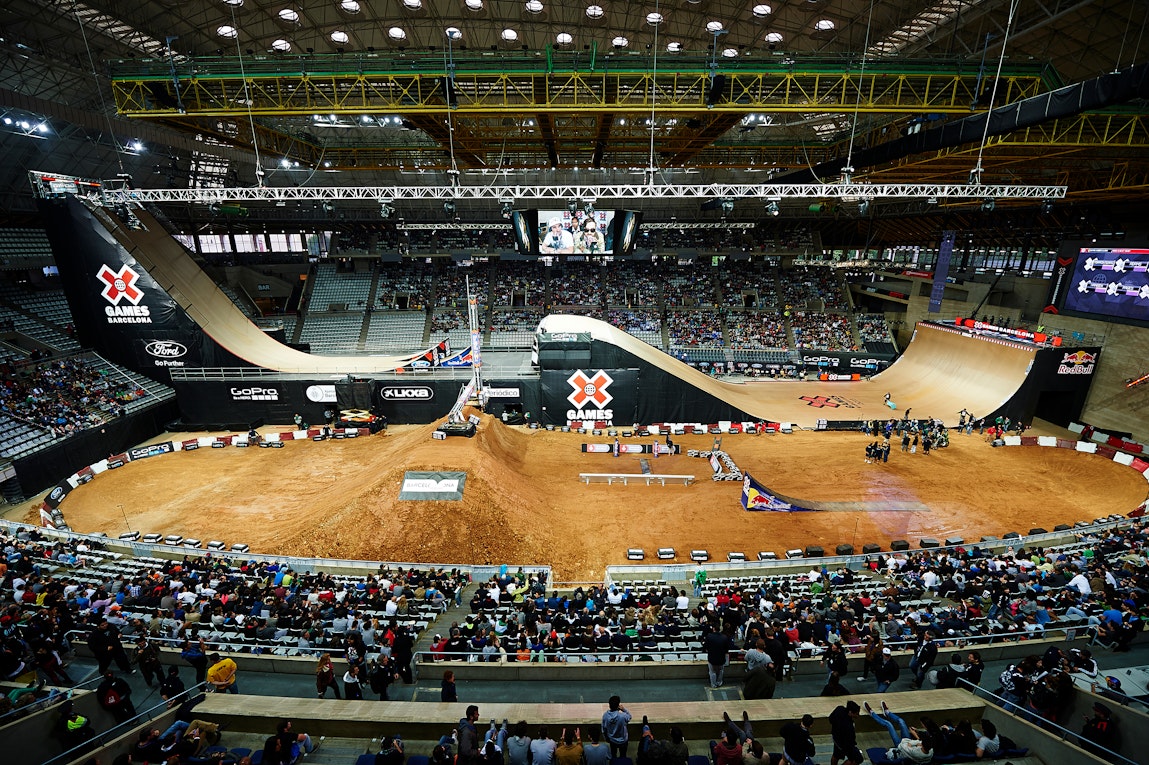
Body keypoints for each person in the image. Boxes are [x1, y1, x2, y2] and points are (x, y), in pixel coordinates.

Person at [864, 702, 932, 763]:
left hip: (900, 745)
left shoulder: (916, 753)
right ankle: (887, 712)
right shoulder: (931, 751)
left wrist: (914, 743)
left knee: (889, 724)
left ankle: (872, 713)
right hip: (907, 742)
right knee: (901, 721)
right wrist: (914, 744)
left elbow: (904, 746)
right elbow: (917, 742)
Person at [828, 700, 863, 765]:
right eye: (856, 713)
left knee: (836, 755)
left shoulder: (839, 709)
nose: (858, 715)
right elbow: (850, 741)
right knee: (857, 759)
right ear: (850, 712)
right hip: (845, 744)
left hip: (836, 738)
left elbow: (830, 719)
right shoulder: (848, 726)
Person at [705, 623, 736, 688]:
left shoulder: (709, 636)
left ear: (713, 629)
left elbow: (706, 647)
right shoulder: (724, 637)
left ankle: (713, 684)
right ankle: (719, 682)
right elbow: (726, 649)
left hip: (712, 658)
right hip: (721, 658)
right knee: (720, 671)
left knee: (712, 672)